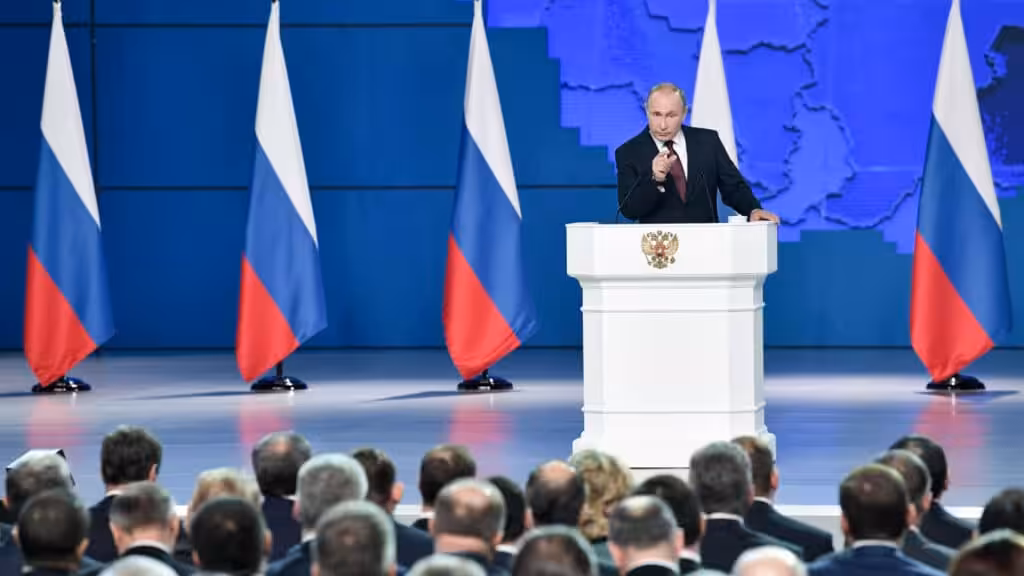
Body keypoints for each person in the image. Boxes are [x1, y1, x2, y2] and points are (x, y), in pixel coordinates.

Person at [615, 83, 779, 225]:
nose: (663, 125)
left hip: (707, 244)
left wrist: (752, 209)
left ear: (684, 113)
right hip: (659, 252)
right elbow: (629, 210)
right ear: (647, 111)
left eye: (671, 115)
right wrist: (655, 179)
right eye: (656, 114)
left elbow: (733, 186)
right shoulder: (629, 152)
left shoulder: (708, 142)